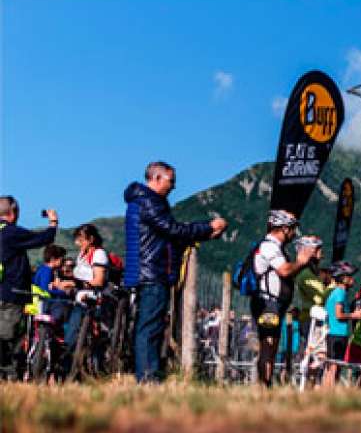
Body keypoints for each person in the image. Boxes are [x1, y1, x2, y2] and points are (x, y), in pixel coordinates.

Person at [124, 162, 226, 383]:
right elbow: (172, 230)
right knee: (150, 328)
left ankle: (148, 375)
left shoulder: (141, 201)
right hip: (153, 273)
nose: (174, 186)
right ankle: (148, 378)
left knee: (149, 326)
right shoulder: (150, 202)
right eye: (171, 180)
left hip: (147, 272)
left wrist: (201, 234)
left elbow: (167, 234)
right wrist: (208, 227)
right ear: (157, 178)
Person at [250, 211, 316, 386]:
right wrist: (300, 262)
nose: (294, 233)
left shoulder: (277, 248)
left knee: (271, 346)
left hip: (274, 304)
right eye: (293, 229)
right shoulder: (269, 246)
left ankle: (266, 384)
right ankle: (264, 386)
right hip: (267, 303)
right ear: (284, 228)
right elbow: (285, 270)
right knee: (268, 344)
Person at [0, 196, 58, 378]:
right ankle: (9, 376)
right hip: (12, 294)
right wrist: (53, 221)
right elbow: (44, 238)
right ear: (13, 212)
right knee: (8, 338)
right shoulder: (10, 233)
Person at [62, 224, 115, 370]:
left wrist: (77, 284)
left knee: (87, 339)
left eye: (81, 240)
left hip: (94, 301)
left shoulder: (98, 254)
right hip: (80, 300)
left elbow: (98, 281)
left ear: (91, 239)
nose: (77, 243)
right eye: (77, 240)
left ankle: (94, 369)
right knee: (70, 337)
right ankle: (68, 371)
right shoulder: (81, 256)